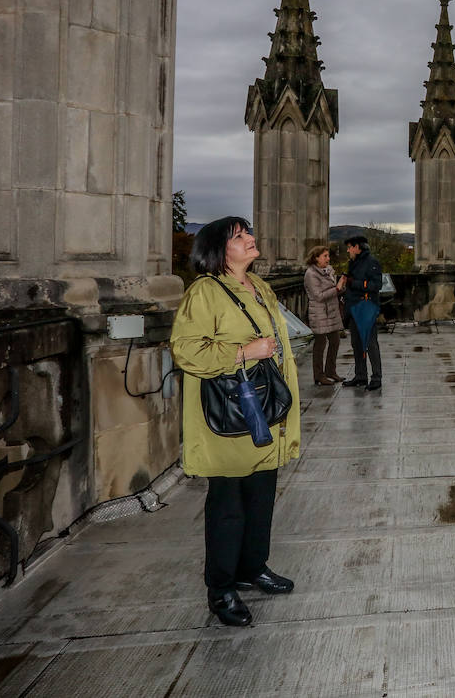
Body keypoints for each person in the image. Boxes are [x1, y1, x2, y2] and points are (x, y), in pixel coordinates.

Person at [170, 217, 301, 627]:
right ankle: (221, 589)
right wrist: (244, 352)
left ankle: (252, 568)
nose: (251, 239)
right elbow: (186, 350)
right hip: (230, 415)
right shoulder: (204, 292)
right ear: (217, 249)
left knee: (260, 499)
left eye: (249, 233)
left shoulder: (259, 287)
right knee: (228, 507)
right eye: (240, 236)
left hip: (264, 411)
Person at [339, 235, 383, 389]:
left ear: (358, 248)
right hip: (353, 308)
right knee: (356, 344)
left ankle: (376, 378)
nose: (348, 250)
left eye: (350, 247)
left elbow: (376, 285)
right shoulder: (353, 263)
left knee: (370, 344)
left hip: (366, 308)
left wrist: (354, 282)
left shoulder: (372, 262)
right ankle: (361, 376)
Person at [303, 245, 345, 385]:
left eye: (328, 255)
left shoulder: (328, 271)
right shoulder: (311, 274)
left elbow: (334, 290)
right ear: (316, 258)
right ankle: (319, 375)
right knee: (320, 344)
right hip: (319, 312)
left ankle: (331, 371)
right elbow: (318, 296)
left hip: (331, 311)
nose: (328, 258)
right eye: (325, 256)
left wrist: (340, 287)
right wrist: (337, 288)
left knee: (335, 341)